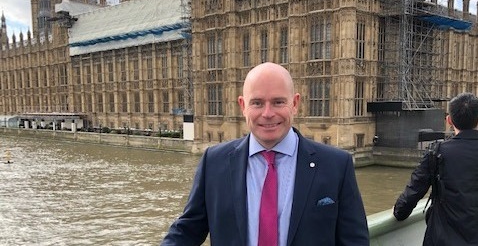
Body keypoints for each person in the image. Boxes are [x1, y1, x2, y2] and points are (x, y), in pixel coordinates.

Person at [160, 62, 369, 246]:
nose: (267, 114)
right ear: (243, 105)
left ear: (295, 104)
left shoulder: (336, 165)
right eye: (257, 103)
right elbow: (188, 231)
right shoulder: (214, 163)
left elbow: (354, 240)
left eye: (278, 102)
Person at [393, 92, 478, 245]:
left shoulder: (437, 152)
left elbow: (415, 188)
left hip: (443, 238)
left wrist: (399, 212)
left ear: (449, 120)